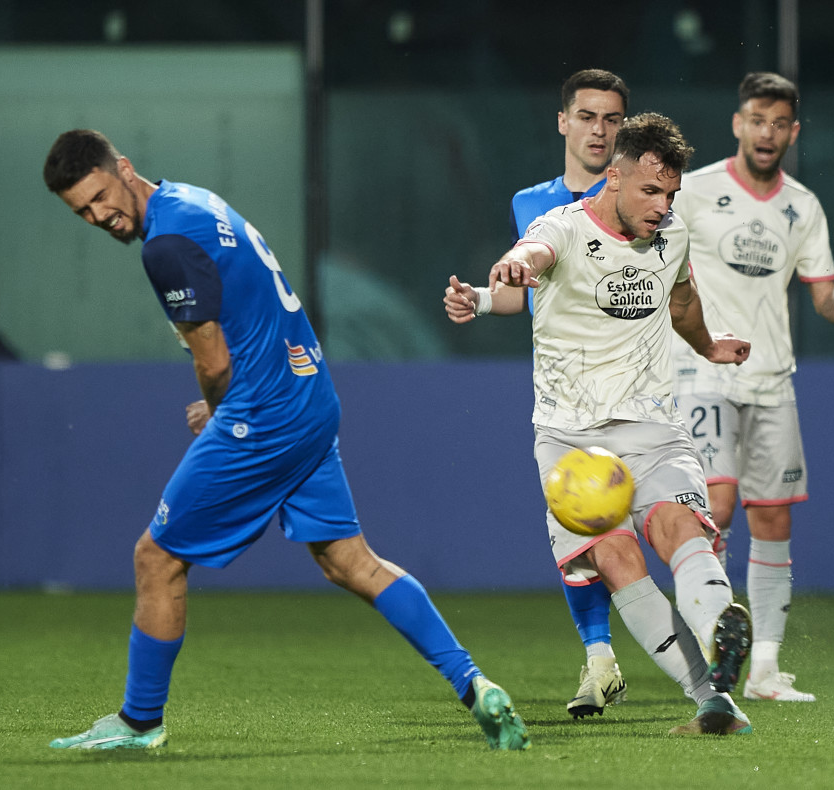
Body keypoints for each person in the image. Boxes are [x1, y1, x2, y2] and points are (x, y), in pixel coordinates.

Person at [42, 129, 530, 752]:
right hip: (310, 397)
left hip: (263, 416)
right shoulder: (194, 201)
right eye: (81, 211)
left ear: (124, 169)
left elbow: (213, 362)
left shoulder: (163, 246)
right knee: (350, 561)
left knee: (156, 558)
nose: (98, 217)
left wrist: (222, 413)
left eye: (100, 197)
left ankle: (140, 723)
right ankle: (474, 684)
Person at [445, 113, 754, 736]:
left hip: (651, 426)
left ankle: (722, 634)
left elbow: (682, 301)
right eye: (650, 191)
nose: (662, 206)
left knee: (677, 526)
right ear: (613, 177)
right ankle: (714, 701)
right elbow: (532, 252)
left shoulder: (673, 236)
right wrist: (510, 269)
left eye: (671, 193)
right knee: (616, 559)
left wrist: (707, 345)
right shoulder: (559, 226)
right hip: (570, 443)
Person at [670, 72, 834, 703]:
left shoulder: (803, 206)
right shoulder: (697, 191)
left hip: (772, 380)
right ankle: (710, 645)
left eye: (780, 123)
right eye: (757, 119)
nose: (768, 133)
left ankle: (762, 668)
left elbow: (822, 296)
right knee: (719, 505)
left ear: (794, 131)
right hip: (702, 371)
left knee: (771, 518)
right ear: (738, 123)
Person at [506, 67, 632, 719]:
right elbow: (518, 292)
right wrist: (475, 297)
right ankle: (600, 662)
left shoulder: (645, 203)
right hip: (564, 399)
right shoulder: (531, 205)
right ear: (562, 121)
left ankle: (701, 655)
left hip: (640, 392)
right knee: (578, 533)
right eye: (586, 116)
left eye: (611, 119)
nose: (598, 130)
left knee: (673, 528)